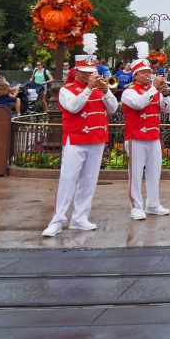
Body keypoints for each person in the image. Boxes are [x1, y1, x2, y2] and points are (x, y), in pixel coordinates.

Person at [43, 36, 119, 237]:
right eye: (84, 74)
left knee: (89, 180)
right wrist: (88, 89)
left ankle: (80, 218)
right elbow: (74, 107)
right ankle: (57, 219)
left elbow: (113, 109)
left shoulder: (98, 89)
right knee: (68, 179)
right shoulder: (67, 90)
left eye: (91, 73)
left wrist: (106, 92)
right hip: (76, 139)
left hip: (97, 139)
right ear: (76, 72)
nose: (88, 77)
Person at [120, 45, 170, 220]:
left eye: (149, 72)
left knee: (154, 172)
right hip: (136, 137)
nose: (148, 75)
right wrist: (154, 88)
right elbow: (139, 104)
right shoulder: (128, 92)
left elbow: (167, 109)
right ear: (135, 75)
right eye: (143, 72)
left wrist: (164, 94)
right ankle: (135, 206)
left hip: (153, 136)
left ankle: (153, 203)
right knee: (135, 174)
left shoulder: (153, 91)